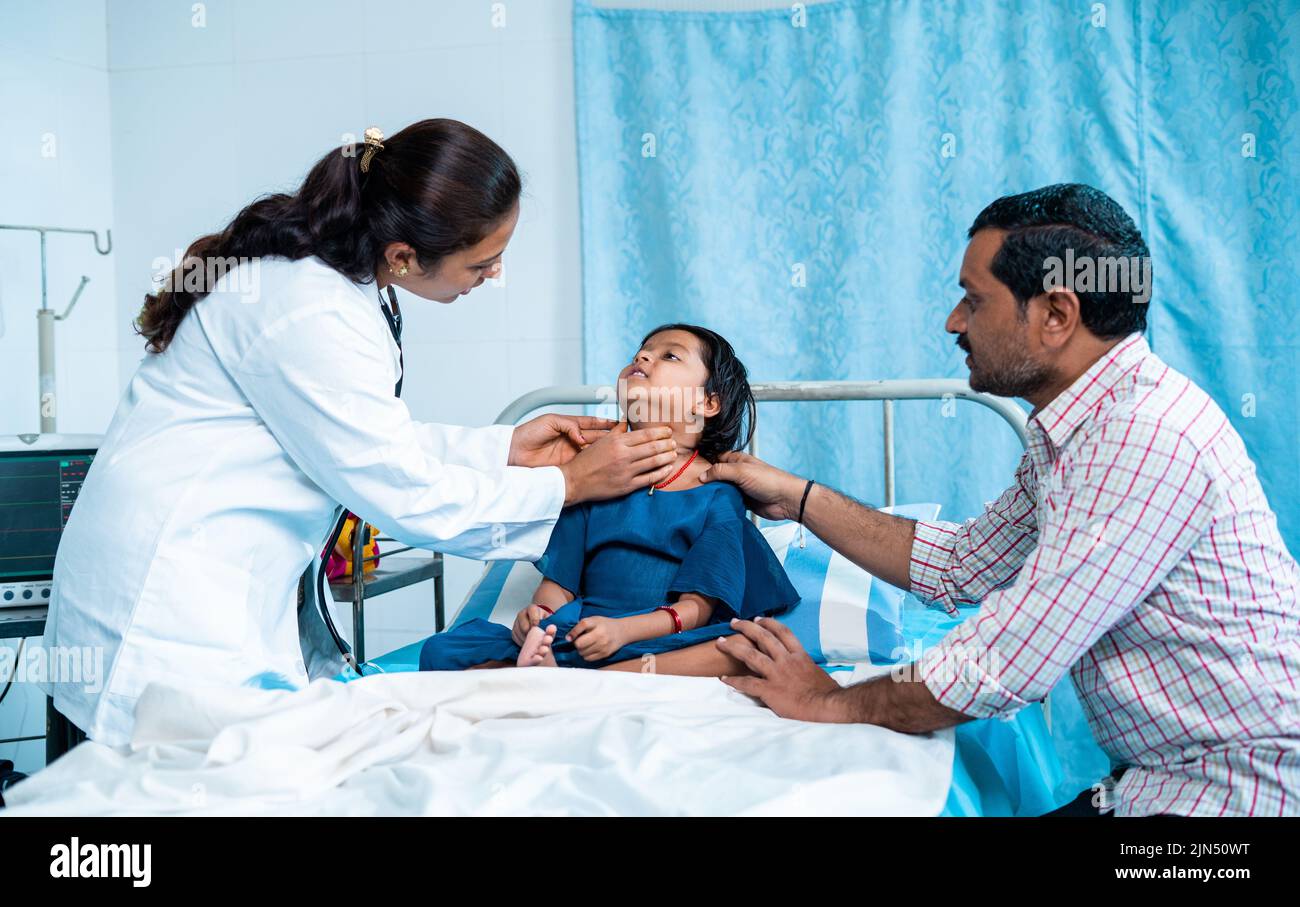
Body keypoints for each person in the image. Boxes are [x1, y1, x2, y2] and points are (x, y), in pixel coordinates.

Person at [41, 119, 680, 748]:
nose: (493, 276)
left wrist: (505, 450)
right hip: (162, 611)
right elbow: (399, 488)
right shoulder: (306, 307)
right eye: (482, 263)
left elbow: (367, 436)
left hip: (205, 587)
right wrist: (565, 485)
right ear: (404, 255)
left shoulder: (344, 282)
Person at [695, 184, 1299, 817]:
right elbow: (963, 564)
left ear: (1056, 315)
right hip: (1161, 782)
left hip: (1240, 799)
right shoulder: (1075, 428)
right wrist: (798, 497)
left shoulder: (1145, 438)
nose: (954, 322)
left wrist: (828, 702)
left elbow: (1001, 664)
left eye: (973, 299)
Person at [418, 324, 799, 672]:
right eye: (640, 351)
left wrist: (622, 632)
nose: (642, 357)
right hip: (580, 632)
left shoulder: (716, 494)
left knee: (743, 649)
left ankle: (575, 679)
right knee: (441, 651)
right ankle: (556, 670)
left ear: (707, 404)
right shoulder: (593, 477)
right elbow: (560, 582)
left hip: (661, 640)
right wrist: (538, 614)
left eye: (669, 355)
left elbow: (696, 609)